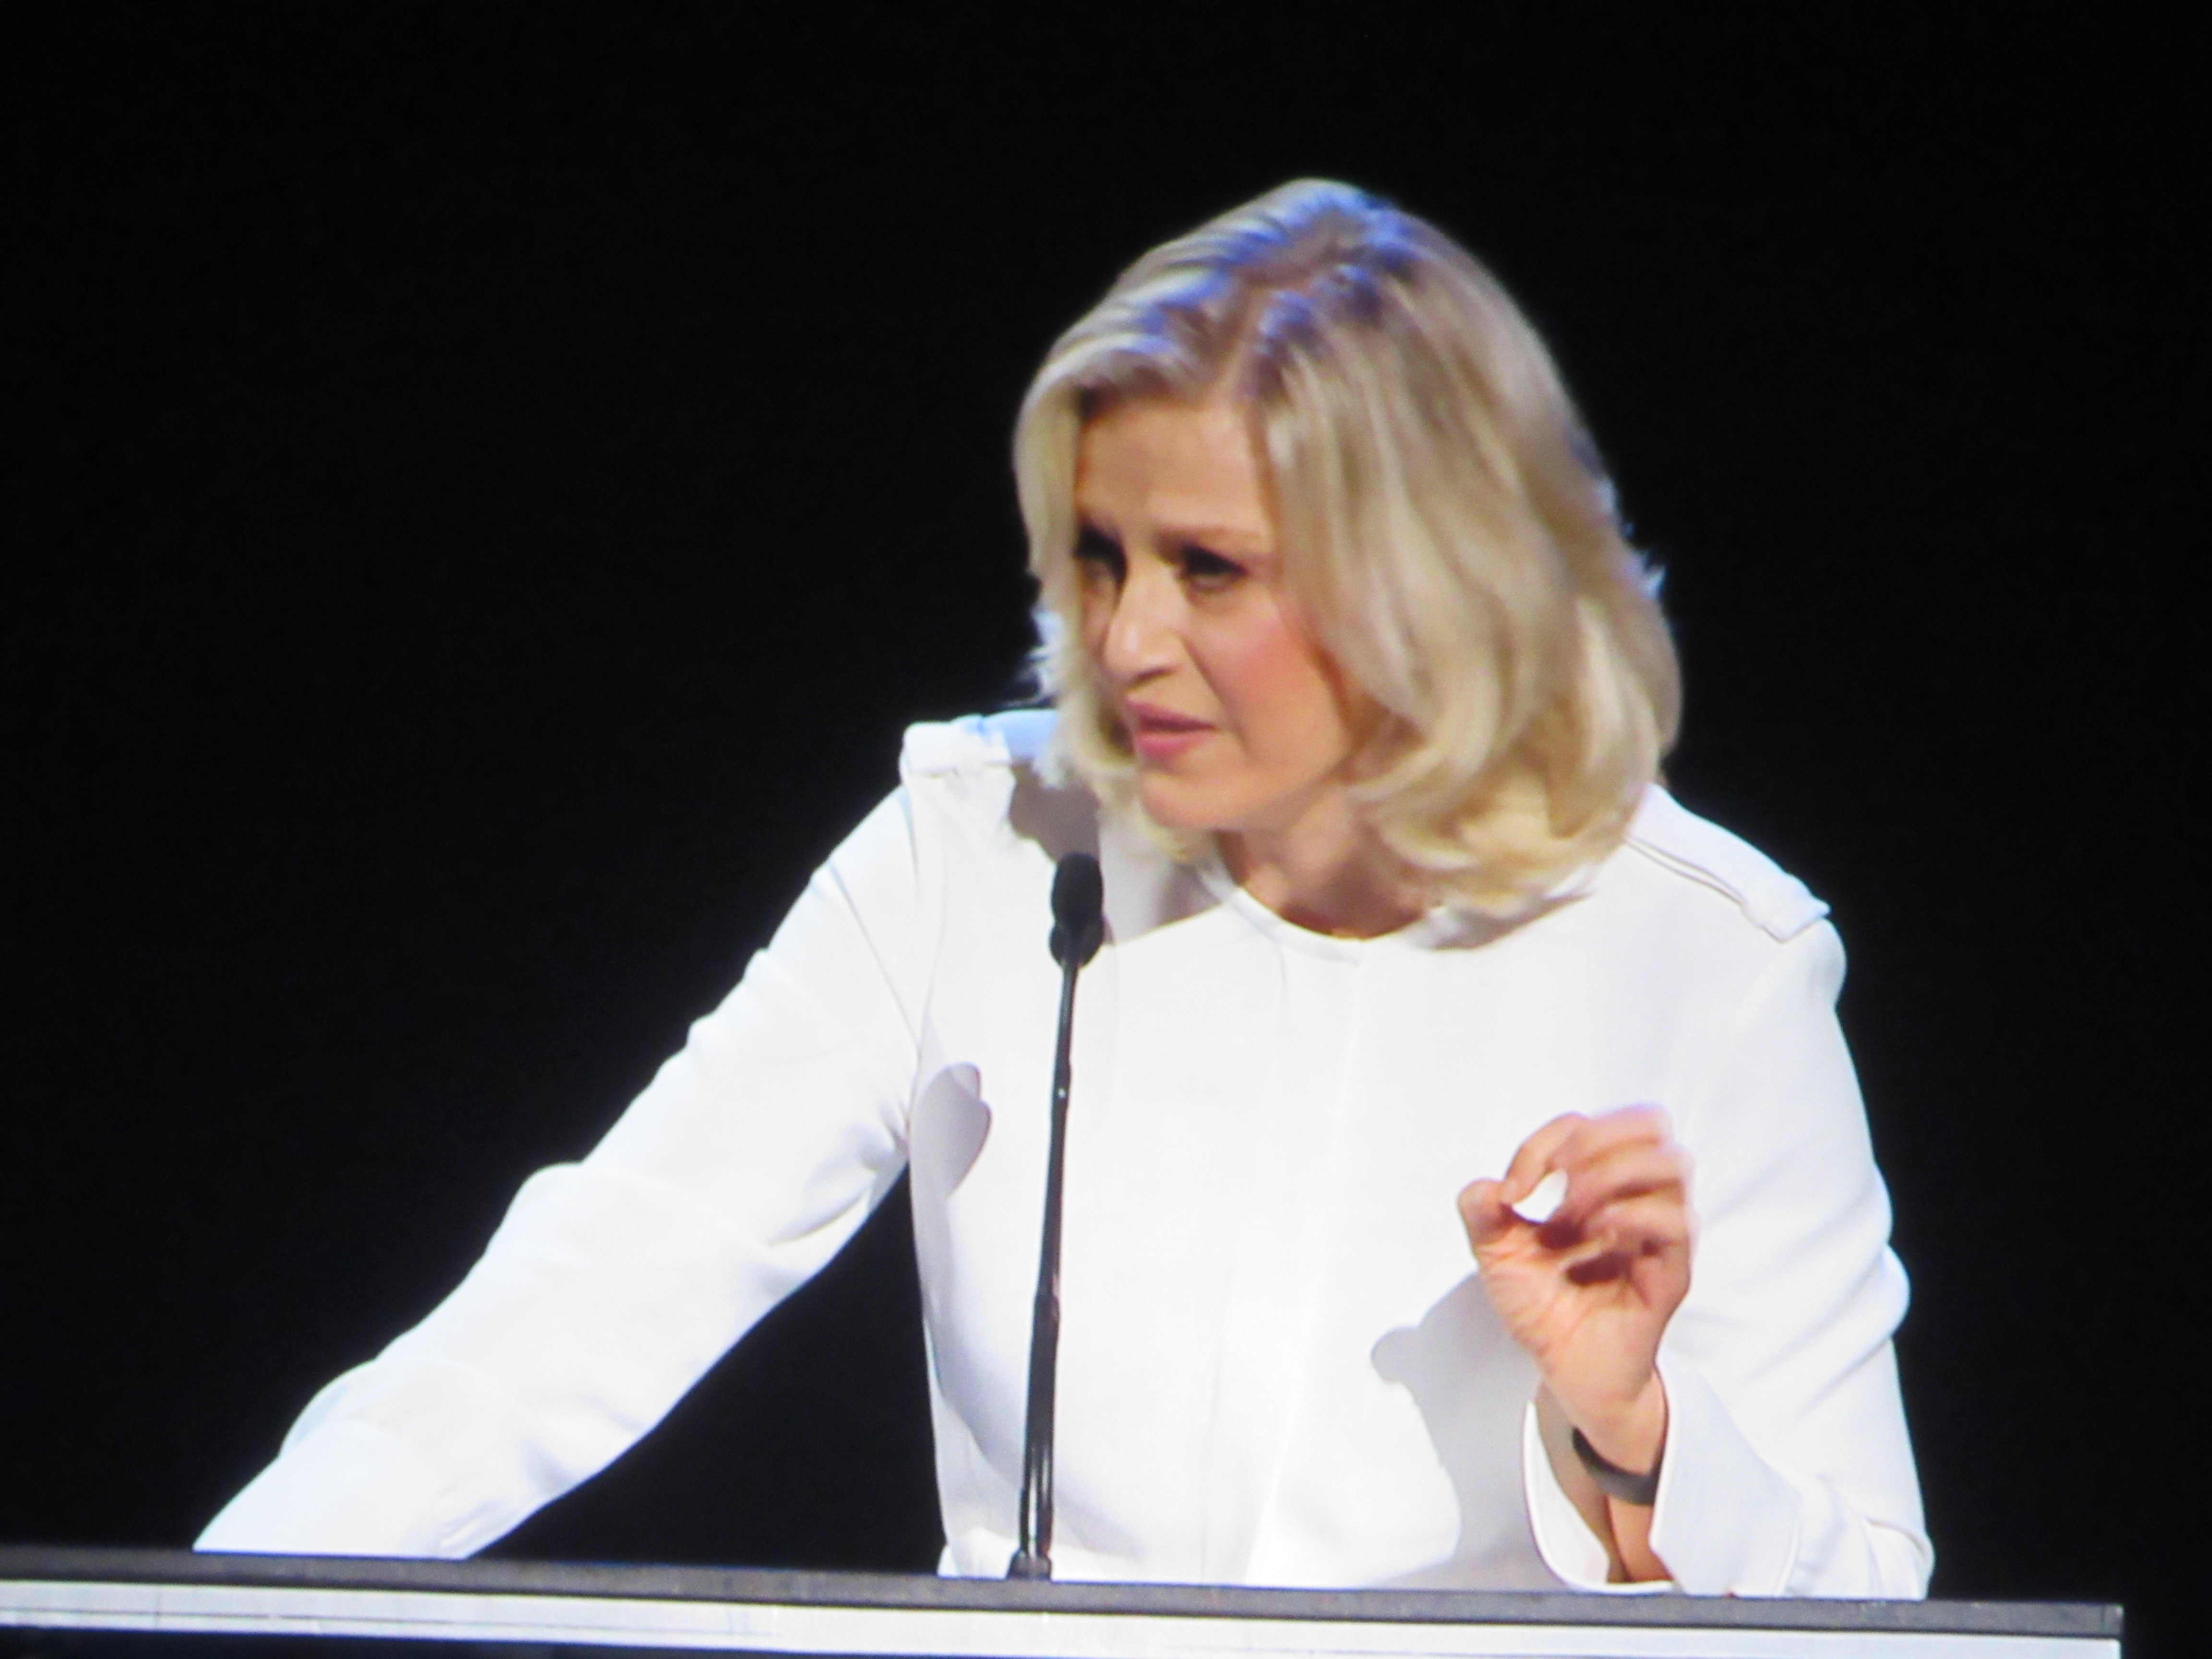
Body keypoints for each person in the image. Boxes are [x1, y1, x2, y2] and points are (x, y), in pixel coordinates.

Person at [198, 180, 1930, 1595]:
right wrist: (210, 1615)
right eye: (1100, 557)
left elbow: (1870, 1603)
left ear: (1428, 581)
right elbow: (589, 1293)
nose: (1125, 639)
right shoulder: (978, 849)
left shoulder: (1713, 959)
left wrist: (1633, 1426)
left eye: (1209, 570)